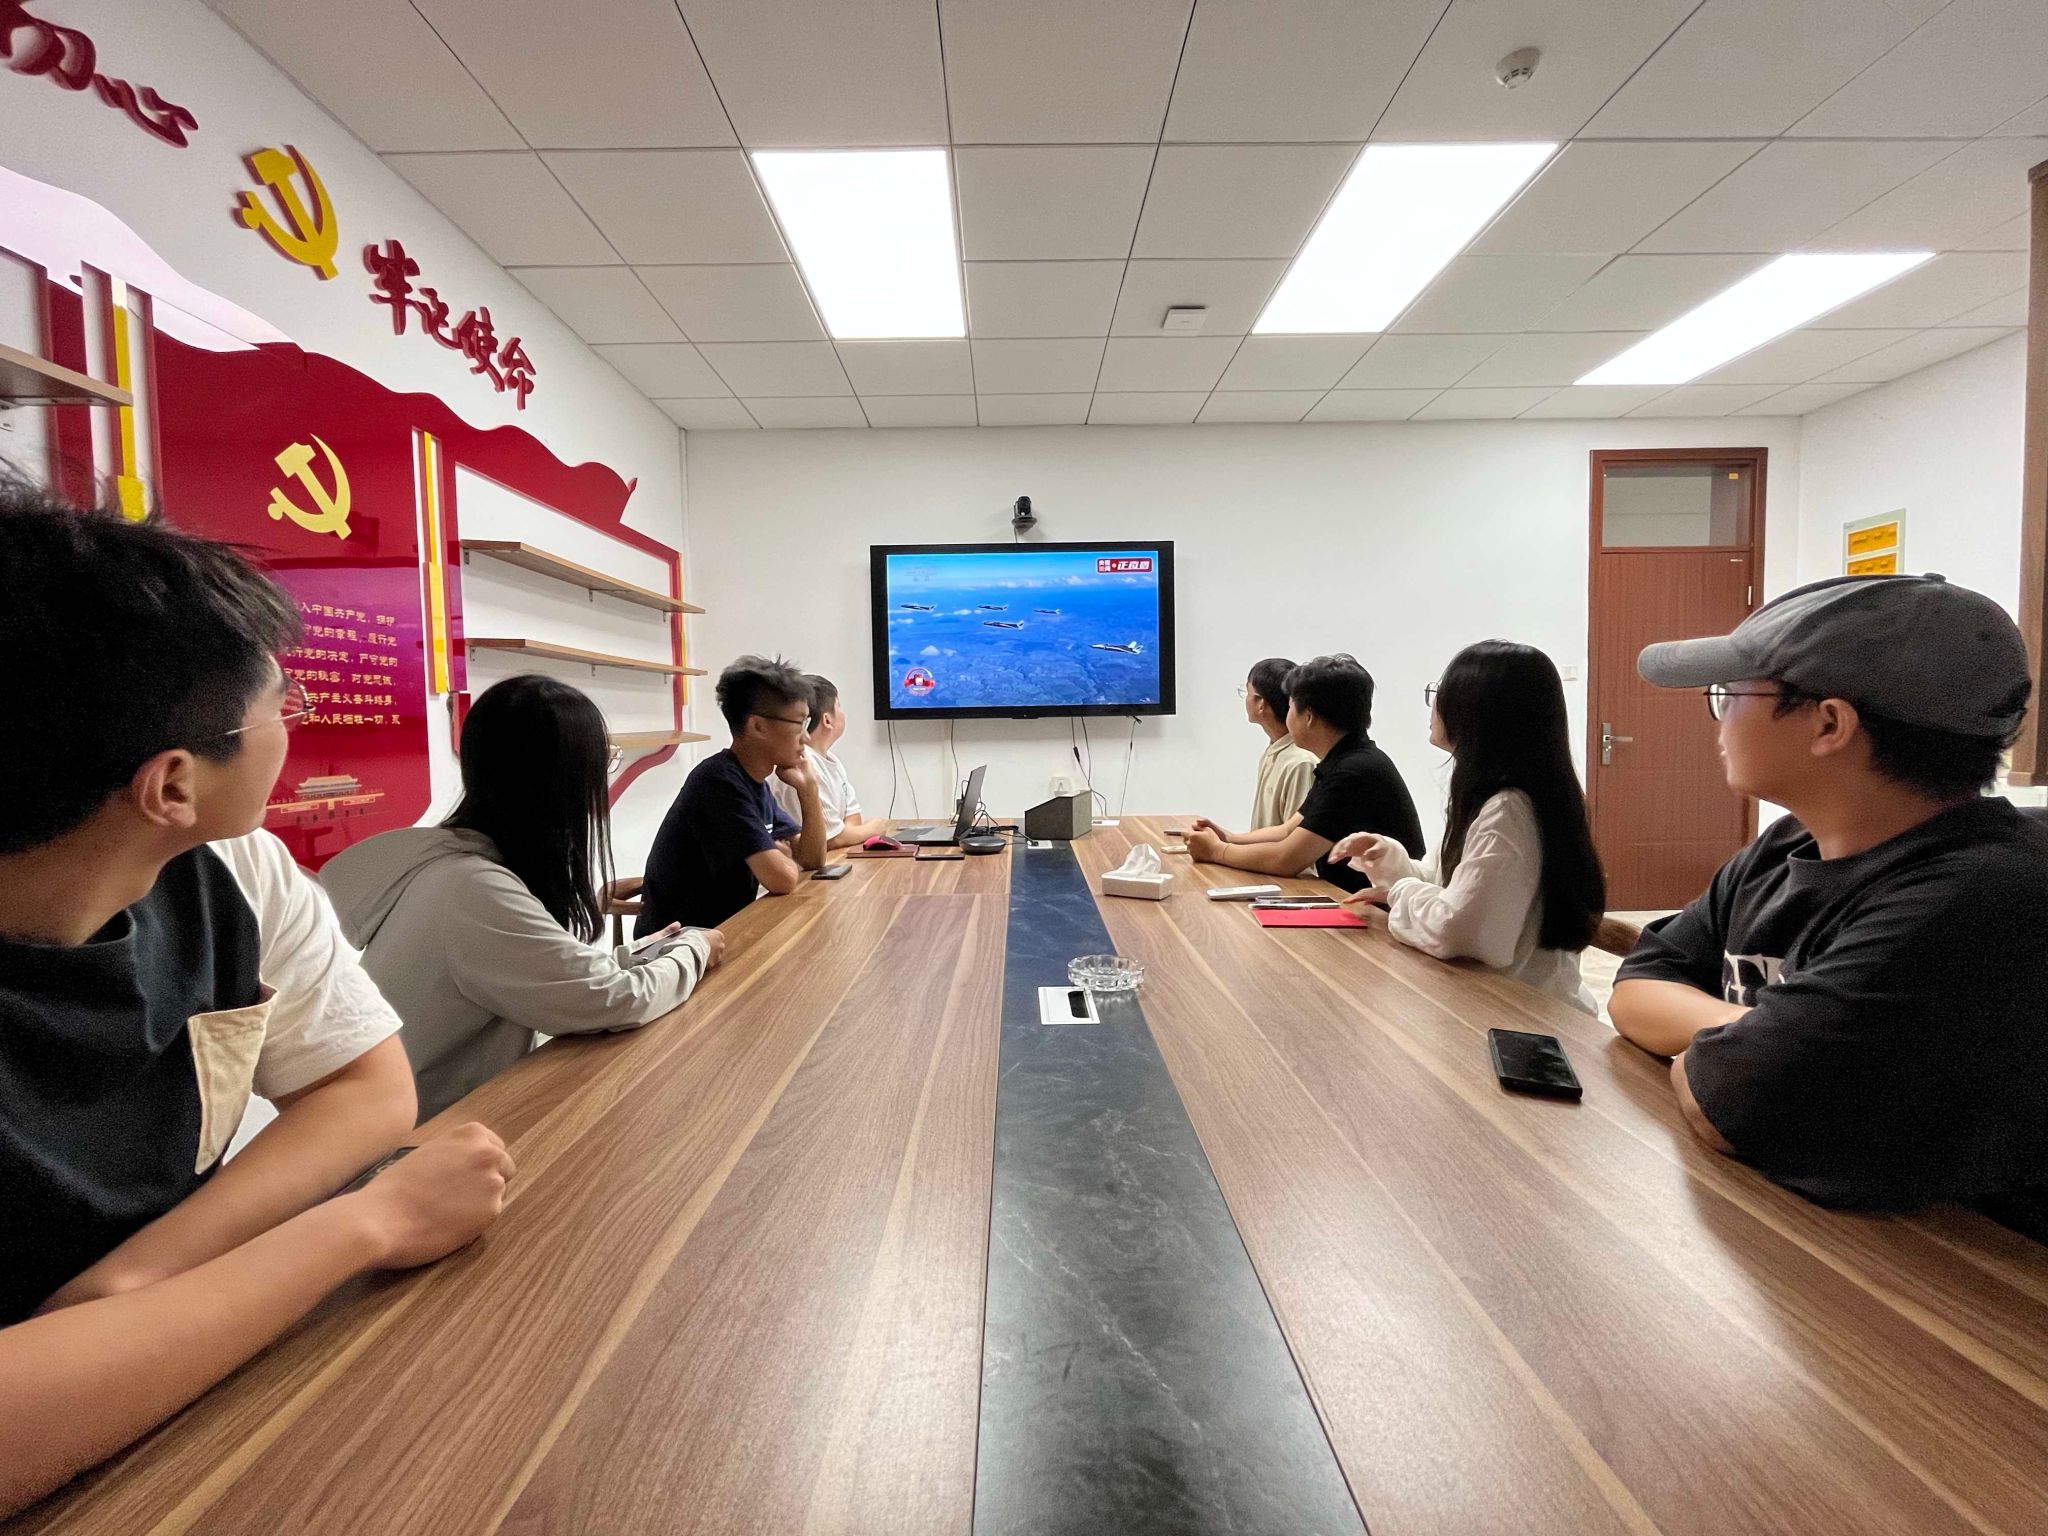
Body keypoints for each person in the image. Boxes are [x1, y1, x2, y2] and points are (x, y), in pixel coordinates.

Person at [0, 484, 510, 1517]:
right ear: (172, 785)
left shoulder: (235, 869)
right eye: (279, 702)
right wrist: (368, 1224)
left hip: (180, 1410)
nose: (294, 721)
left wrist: (131, 1283)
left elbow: (367, 1088)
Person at [1610, 573, 2048, 1213]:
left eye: (1730, 694)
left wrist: (1759, 1053)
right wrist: (1767, 1036)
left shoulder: (1981, 894)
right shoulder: (1785, 845)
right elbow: (1636, 989)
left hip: (1946, 1260)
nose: (1720, 720)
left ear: (1829, 724)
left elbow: (1732, 1106)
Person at [321, 675, 727, 1121]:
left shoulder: (459, 867)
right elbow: (616, 1000)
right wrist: (694, 947)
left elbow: (552, 973)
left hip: (445, 1118)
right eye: (602, 762)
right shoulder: (472, 890)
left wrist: (642, 956)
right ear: (558, 780)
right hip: (426, 1136)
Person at [1330, 641, 1605, 1011]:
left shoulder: (1509, 810)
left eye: (1441, 692)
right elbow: (1451, 888)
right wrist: (1390, 860)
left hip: (1521, 1012)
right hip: (1500, 1000)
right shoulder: (1504, 797)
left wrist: (1400, 890)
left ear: (1476, 711)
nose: (1433, 705)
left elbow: (1458, 930)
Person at [1186, 653, 1424, 890]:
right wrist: (1228, 838)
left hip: (1379, 908)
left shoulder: (1352, 772)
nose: (1287, 714)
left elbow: (1286, 859)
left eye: (1290, 706)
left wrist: (1217, 851)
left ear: (1308, 717)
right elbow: (1287, 830)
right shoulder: (1343, 761)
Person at [638, 654, 828, 935]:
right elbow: (783, 879)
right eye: (799, 723)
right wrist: (783, 858)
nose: (806, 737)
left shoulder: (753, 782)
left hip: (721, 933)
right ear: (758, 726)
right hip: (676, 947)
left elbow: (812, 859)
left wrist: (809, 790)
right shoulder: (718, 781)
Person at [770, 674, 884, 849]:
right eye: (839, 706)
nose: (843, 713)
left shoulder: (831, 760)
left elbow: (853, 817)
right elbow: (831, 839)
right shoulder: (802, 764)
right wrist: (874, 829)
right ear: (827, 720)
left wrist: (846, 833)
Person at [1242, 656, 1320, 831]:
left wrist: (1224, 844)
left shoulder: (1301, 763)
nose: (1245, 699)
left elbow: (1293, 838)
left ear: (1260, 703)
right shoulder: (1273, 751)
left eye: (1247, 692)